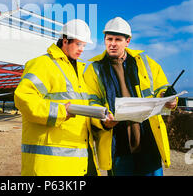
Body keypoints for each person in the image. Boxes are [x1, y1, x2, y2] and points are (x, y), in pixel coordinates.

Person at [84, 16, 177, 176]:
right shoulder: (94, 70)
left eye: (118, 39)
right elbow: (91, 102)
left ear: (127, 41)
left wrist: (170, 100)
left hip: (148, 142)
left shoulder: (146, 63)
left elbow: (163, 89)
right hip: (117, 145)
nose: (112, 43)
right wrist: (103, 119)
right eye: (109, 39)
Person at [14, 19, 100, 176]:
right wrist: (60, 112)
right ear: (65, 41)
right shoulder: (43, 64)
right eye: (78, 44)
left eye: (84, 45)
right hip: (51, 163)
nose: (82, 49)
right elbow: (23, 98)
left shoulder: (78, 72)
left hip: (79, 155)